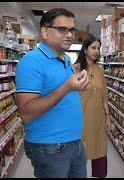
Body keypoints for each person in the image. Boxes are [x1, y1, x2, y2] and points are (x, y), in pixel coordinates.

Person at [15, 8, 89, 178]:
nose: (69, 35)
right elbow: (26, 112)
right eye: (62, 29)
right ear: (44, 31)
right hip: (49, 147)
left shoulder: (66, 59)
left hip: (75, 142)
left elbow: (60, 92)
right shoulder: (31, 62)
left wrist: (77, 85)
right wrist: (67, 87)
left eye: (72, 30)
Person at [74, 35, 110, 177]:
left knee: (100, 151)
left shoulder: (100, 70)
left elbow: (104, 96)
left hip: (98, 118)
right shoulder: (75, 69)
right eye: (93, 48)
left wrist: (108, 116)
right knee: (79, 154)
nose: (97, 51)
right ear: (85, 49)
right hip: (80, 118)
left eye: (98, 48)